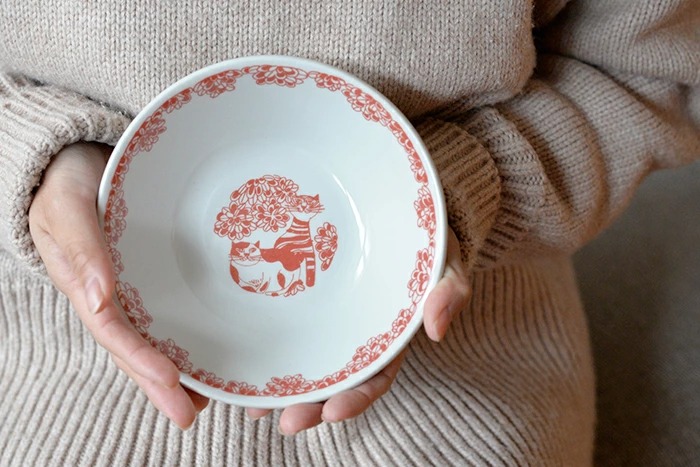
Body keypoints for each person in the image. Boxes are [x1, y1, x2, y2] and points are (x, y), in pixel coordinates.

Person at [0, 1, 697, 465]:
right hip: (58, 340)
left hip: (469, 331)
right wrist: (33, 157)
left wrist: (459, 187)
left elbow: (645, 73)